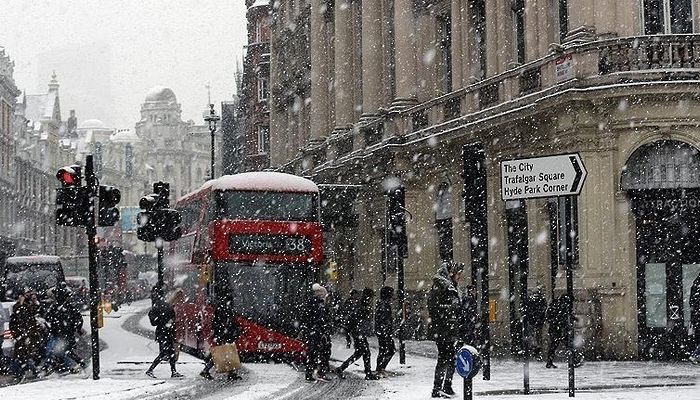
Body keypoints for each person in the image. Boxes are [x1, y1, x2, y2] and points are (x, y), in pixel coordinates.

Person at [427, 261, 463, 398]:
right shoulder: (442, 287)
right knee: (444, 358)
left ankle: (446, 386)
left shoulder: (450, 286)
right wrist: (450, 312)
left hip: (449, 329)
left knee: (451, 358)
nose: (459, 277)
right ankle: (438, 388)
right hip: (443, 329)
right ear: (451, 273)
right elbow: (434, 307)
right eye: (458, 274)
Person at [334, 288, 379, 380]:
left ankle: (341, 368)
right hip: (359, 332)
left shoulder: (361, 304)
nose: (371, 299)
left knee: (359, 353)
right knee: (365, 352)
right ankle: (368, 373)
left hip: (358, 332)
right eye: (371, 297)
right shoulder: (363, 305)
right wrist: (359, 330)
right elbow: (358, 319)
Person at [200, 294, 242, 380]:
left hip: (222, 334)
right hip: (225, 334)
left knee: (224, 352)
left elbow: (217, 323)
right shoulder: (226, 308)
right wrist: (230, 331)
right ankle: (206, 370)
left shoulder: (221, 307)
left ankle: (231, 373)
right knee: (224, 353)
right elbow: (228, 322)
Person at [44, 285, 85, 373]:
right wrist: (77, 328)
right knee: (63, 351)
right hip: (62, 333)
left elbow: (47, 318)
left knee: (63, 350)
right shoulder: (62, 307)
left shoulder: (59, 307)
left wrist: (76, 328)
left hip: (62, 333)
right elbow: (78, 319)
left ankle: (76, 364)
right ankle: (63, 366)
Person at [145, 286, 183, 378]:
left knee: (168, 352)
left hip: (162, 333)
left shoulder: (158, 306)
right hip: (166, 333)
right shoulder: (166, 307)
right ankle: (151, 370)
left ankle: (173, 372)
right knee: (167, 353)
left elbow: (154, 322)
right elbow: (173, 318)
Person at [9, 289, 43, 380]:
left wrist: (36, 303)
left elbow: (37, 313)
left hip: (28, 334)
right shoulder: (18, 307)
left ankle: (25, 372)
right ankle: (25, 372)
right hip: (21, 334)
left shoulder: (28, 306)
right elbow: (15, 318)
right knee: (22, 355)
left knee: (25, 355)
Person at [301, 283, 333, 382]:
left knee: (316, 353)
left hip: (316, 331)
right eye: (323, 294)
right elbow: (319, 318)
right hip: (317, 332)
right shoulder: (317, 304)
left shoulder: (316, 303)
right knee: (318, 353)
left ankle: (313, 373)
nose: (324, 296)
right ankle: (317, 373)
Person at [545, 294, 580, 368]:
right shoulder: (562, 306)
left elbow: (550, 317)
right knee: (565, 345)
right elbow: (564, 315)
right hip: (559, 329)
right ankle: (574, 360)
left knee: (555, 345)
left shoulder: (556, 305)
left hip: (557, 328)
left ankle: (550, 362)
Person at [375, 286, 395, 377]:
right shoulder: (384, 305)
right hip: (384, 332)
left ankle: (380, 368)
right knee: (388, 350)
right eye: (392, 293)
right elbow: (384, 320)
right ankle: (380, 368)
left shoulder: (383, 304)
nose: (393, 295)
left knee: (383, 350)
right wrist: (386, 331)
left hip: (383, 331)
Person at [526, 287, 547, 358]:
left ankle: (534, 347)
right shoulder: (542, 299)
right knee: (538, 334)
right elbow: (543, 309)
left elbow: (527, 310)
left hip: (532, 320)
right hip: (539, 321)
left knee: (532, 335)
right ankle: (538, 347)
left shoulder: (529, 300)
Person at [689, 273, 700, 363]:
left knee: (697, 336)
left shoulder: (695, 285)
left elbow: (692, 302)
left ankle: (696, 355)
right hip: (697, 315)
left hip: (696, 315)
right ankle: (695, 355)